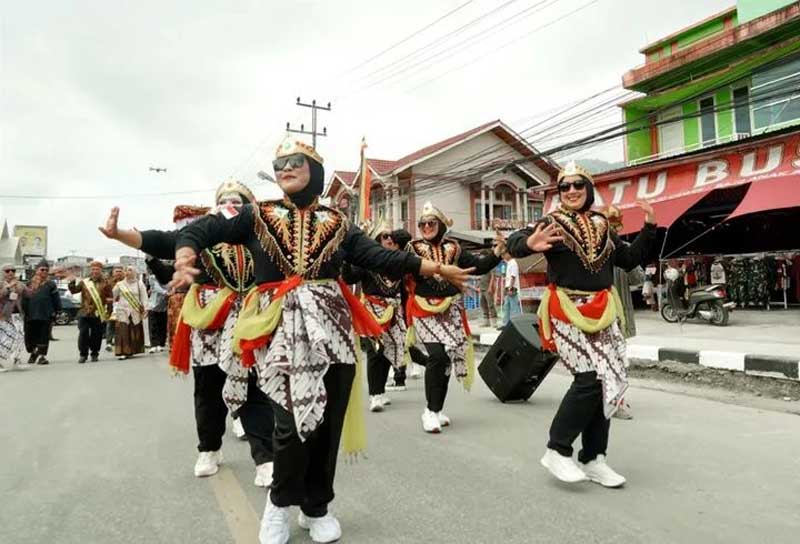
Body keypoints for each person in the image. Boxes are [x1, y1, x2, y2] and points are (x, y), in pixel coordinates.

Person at [171, 137, 473, 544]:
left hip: (333, 329)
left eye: (295, 161)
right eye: (279, 164)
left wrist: (433, 267)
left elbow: (379, 256)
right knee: (289, 423)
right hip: (281, 330)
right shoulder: (256, 215)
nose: (285, 168)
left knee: (327, 423)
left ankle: (317, 507)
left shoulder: (338, 222)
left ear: (314, 168)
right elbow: (205, 228)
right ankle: (279, 505)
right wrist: (185, 251)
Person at [101, 185, 276, 487]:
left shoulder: (260, 235)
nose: (228, 205)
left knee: (253, 387)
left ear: (248, 207)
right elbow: (160, 240)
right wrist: (119, 235)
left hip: (248, 319)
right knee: (208, 388)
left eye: (236, 201)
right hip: (208, 321)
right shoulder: (201, 233)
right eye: (222, 201)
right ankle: (209, 449)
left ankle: (264, 458)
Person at [507, 161, 656, 488]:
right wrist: (528, 244)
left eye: (578, 185)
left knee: (606, 383)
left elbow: (629, 259)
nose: (571, 191)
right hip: (566, 309)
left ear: (588, 190)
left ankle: (594, 458)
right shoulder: (551, 222)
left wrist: (649, 226)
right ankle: (557, 449)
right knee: (588, 378)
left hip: (603, 310)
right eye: (565, 186)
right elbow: (515, 241)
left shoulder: (603, 224)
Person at [405, 201, 503, 434]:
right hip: (424, 309)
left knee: (446, 359)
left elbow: (478, 267)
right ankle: (430, 411)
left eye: (431, 223)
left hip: (452, 310)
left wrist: (498, 252)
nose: (426, 227)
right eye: (422, 224)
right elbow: (400, 270)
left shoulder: (454, 248)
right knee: (437, 356)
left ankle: (437, 409)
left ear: (440, 225)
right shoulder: (412, 248)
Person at [342, 219, 406, 413]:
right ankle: (374, 395)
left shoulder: (397, 262)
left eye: (391, 236)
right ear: (377, 239)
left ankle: (381, 390)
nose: (390, 239)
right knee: (375, 351)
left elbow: (404, 290)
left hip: (394, 312)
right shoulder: (366, 263)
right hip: (372, 311)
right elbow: (349, 278)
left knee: (388, 351)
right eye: (385, 236)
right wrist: (347, 261)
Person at [67, 261, 113, 363]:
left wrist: (109, 312)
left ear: (101, 270)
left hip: (98, 312)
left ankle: (94, 353)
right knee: (83, 333)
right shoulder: (85, 282)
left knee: (96, 334)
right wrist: (72, 282)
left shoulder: (106, 283)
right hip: (84, 312)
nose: (95, 271)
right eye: (93, 269)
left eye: (97, 269)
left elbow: (110, 299)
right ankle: (83, 354)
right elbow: (74, 291)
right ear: (90, 270)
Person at [22, 260, 60, 365]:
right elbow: (24, 299)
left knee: (43, 336)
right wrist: (23, 311)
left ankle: (42, 357)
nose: (44, 272)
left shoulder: (51, 284)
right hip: (31, 314)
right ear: (37, 270)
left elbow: (56, 299)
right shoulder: (29, 284)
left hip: (46, 314)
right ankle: (33, 353)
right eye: (42, 269)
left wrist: (57, 311)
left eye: (46, 270)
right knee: (30, 336)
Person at [112, 266, 147, 360]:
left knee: (133, 330)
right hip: (122, 310)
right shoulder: (120, 284)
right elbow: (112, 295)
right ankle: (123, 352)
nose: (128, 272)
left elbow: (144, 297)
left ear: (135, 272)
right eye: (127, 270)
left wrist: (146, 308)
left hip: (135, 310)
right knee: (123, 330)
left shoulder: (139, 284)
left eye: (130, 270)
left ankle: (132, 350)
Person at [0, 266, 26, 371]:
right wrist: (9, 286)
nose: (11, 272)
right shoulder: (1, 284)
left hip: (17, 315)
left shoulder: (19, 284)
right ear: (3, 272)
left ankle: (16, 360)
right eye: (7, 271)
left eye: (13, 270)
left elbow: (29, 294)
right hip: (3, 315)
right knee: (5, 339)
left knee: (20, 337)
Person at [145, 272, 168, 353]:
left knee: (162, 325)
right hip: (153, 304)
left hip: (164, 305)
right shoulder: (152, 277)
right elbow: (156, 287)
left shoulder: (167, 276)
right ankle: (154, 344)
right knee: (153, 325)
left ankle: (161, 344)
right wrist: (166, 292)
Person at [501, 251, 522, 328]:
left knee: (514, 307)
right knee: (506, 306)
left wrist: (510, 288)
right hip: (508, 287)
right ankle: (505, 324)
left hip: (512, 287)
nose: (503, 256)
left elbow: (513, 276)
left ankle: (516, 325)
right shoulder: (508, 263)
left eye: (504, 254)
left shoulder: (513, 263)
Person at [105, 266, 124, 351]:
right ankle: (109, 342)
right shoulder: (108, 282)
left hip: (124, 307)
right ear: (113, 273)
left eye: (120, 271)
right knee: (110, 324)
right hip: (111, 307)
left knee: (122, 325)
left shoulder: (126, 282)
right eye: (117, 271)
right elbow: (103, 294)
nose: (118, 273)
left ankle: (120, 342)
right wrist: (108, 299)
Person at [478, 250, 498, 327]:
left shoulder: (490, 264)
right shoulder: (481, 265)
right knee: (483, 305)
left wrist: (490, 287)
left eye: (482, 256)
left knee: (490, 305)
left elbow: (493, 276)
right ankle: (486, 322)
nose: (481, 258)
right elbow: (480, 277)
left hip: (487, 288)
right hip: (482, 288)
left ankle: (494, 322)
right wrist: (478, 286)